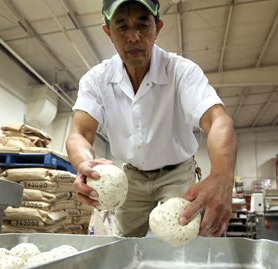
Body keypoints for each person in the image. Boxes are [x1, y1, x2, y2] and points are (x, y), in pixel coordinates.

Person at [66, 0, 237, 237]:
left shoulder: (181, 72)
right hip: (131, 177)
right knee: (126, 245)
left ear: (158, 28)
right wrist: (84, 164)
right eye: (122, 27)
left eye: (143, 25)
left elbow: (217, 121)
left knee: (183, 243)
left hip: (177, 173)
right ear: (108, 33)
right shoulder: (96, 80)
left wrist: (222, 176)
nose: (134, 37)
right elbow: (80, 134)